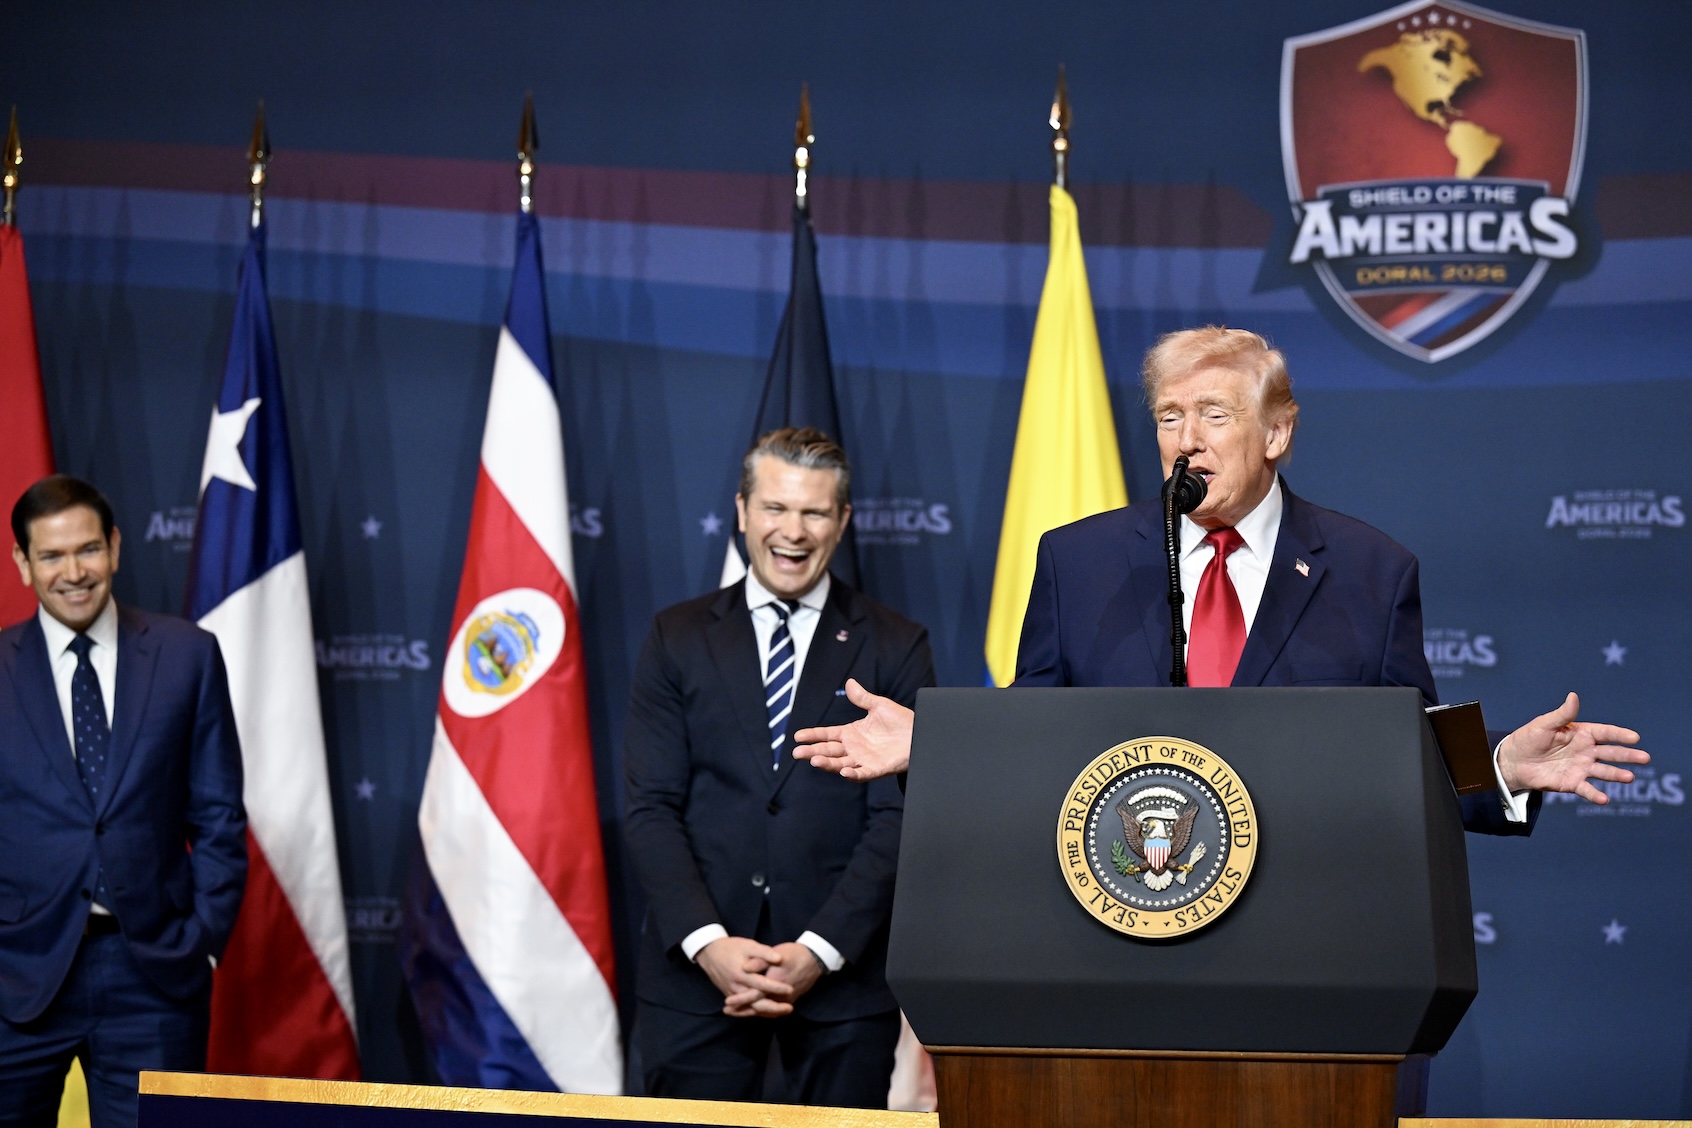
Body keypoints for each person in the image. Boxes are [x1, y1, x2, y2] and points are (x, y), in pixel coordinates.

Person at [794, 327, 1647, 820]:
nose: (1185, 438)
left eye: (1213, 414)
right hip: (1121, 921)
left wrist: (1501, 767)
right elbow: (1035, 731)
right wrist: (933, 747)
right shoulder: (1079, 560)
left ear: (1277, 433)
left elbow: (1409, 755)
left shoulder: (1371, 571)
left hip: (1301, 942)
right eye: (1169, 416)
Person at [623, 427, 934, 1107]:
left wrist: (818, 951)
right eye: (774, 508)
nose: (792, 531)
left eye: (815, 512)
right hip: (695, 984)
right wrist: (710, 946)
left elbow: (899, 819)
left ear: (843, 521)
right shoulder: (674, 637)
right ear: (741, 511)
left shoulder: (896, 645)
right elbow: (650, 807)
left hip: (842, 991)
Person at [0, 475, 247, 1127]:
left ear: (114, 547)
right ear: (23, 563)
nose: (74, 572)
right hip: (16, 978)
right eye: (51, 556)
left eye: (87, 549)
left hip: (154, 973)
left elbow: (219, 814)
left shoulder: (186, 655)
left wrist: (203, 941)